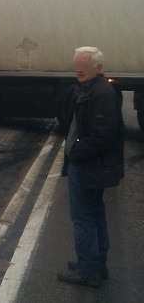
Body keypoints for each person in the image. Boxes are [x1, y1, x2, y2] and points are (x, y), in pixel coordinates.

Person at [57, 47, 124, 288]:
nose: (79, 69)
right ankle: (96, 262)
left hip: (89, 166)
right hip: (92, 165)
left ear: (98, 67)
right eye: (77, 64)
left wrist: (75, 152)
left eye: (84, 64)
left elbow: (103, 136)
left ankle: (88, 270)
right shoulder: (90, 90)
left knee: (83, 217)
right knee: (94, 214)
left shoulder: (101, 94)